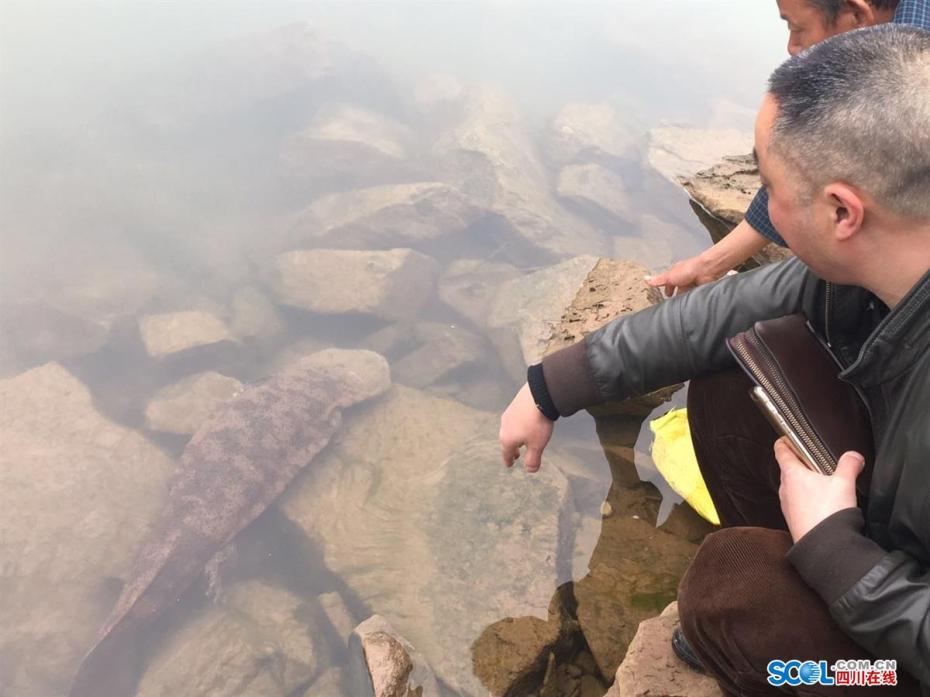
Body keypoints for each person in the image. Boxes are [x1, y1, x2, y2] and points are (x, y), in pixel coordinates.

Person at [499, 25, 930, 695]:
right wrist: (553, 384)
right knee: (740, 366)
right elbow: (729, 310)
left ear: (844, 210)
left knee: (732, 593)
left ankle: (806, 668)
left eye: (772, 188)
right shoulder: (876, 265)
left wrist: (837, 553)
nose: (766, 212)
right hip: (892, 523)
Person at [646, 0, 930, 298]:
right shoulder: (893, 52)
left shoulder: (907, 90)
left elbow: (801, 179)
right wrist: (710, 264)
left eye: (797, 28)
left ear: (857, 14)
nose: (792, 47)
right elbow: (799, 172)